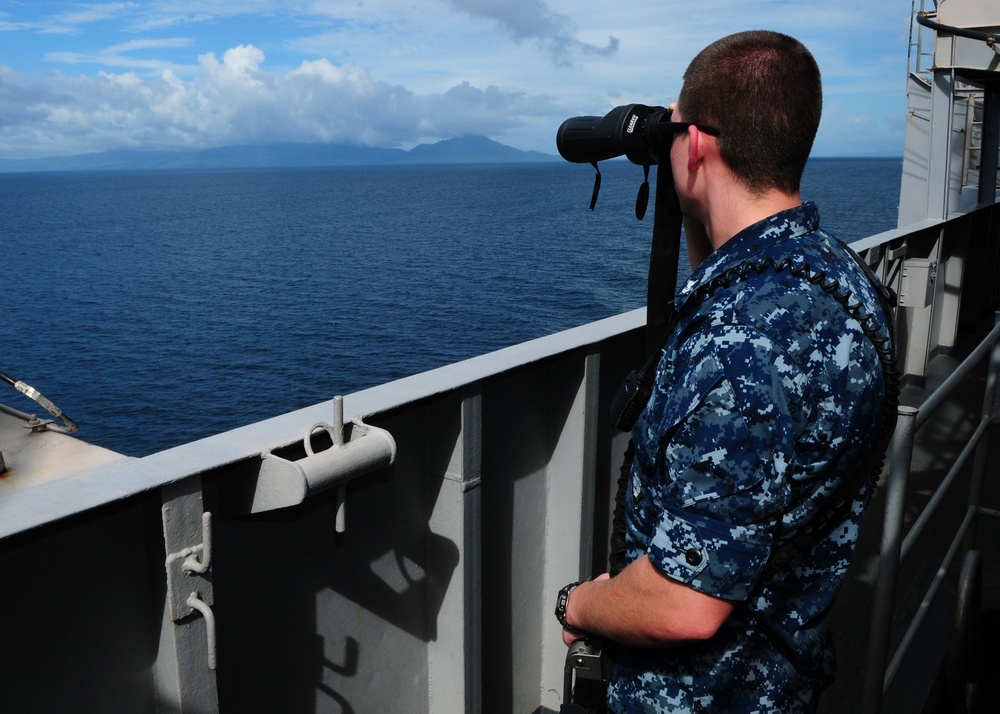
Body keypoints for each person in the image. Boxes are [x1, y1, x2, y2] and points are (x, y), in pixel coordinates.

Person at [555, 30, 894, 713]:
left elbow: (686, 603)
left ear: (701, 144)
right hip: (781, 681)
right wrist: (690, 192)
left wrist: (582, 604)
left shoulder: (737, 344)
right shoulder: (841, 278)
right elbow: (720, 278)